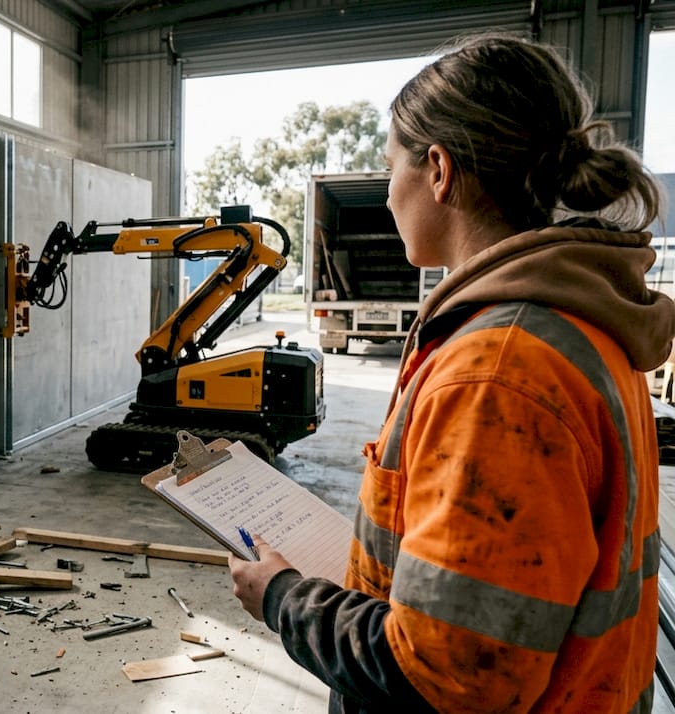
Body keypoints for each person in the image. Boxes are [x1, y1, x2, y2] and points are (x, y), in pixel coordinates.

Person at [228, 34, 673, 713]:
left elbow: (447, 678)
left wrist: (284, 598)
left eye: (390, 169)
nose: (385, 197)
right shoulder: (580, 328)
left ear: (438, 170)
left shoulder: (498, 375)